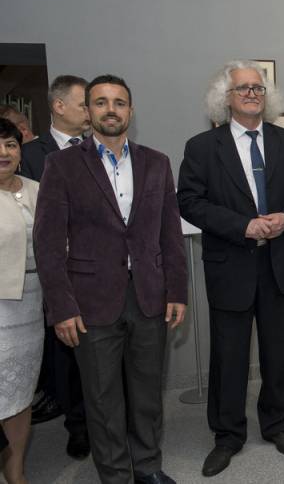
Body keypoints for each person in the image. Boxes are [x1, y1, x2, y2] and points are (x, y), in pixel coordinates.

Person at [34, 74, 187, 484]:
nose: (111, 110)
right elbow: (48, 243)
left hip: (149, 297)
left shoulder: (157, 162)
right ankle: (116, 475)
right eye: (100, 102)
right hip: (90, 302)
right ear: (88, 111)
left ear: (130, 111)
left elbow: (170, 234)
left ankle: (148, 467)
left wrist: (177, 290)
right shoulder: (62, 165)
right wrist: (61, 307)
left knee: (147, 394)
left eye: (119, 102)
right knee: (102, 400)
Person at [178, 60, 284, 477]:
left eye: (258, 87)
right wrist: (243, 226)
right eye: (243, 88)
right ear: (225, 98)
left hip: (278, 263)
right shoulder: (202, 147)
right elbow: (190, 202)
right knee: (229, 357)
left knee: (276, 353)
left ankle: (276, 425)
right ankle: (227, 435)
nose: (252, 93)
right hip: (230, 266)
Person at [19, 75, 91, 459]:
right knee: (67, 358)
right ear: (59, 106)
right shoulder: (31, 155)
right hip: (59, 272)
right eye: (84, 104)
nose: (91, 111)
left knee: (104, 355)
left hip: (100, 271)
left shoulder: (99, 148)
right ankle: (78, 427)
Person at [0, 118, 43, 484]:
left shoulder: (37, 189)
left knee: (20, 395)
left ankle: (16, 473)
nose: (4, 153)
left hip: (32, 307)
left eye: (11, 145)